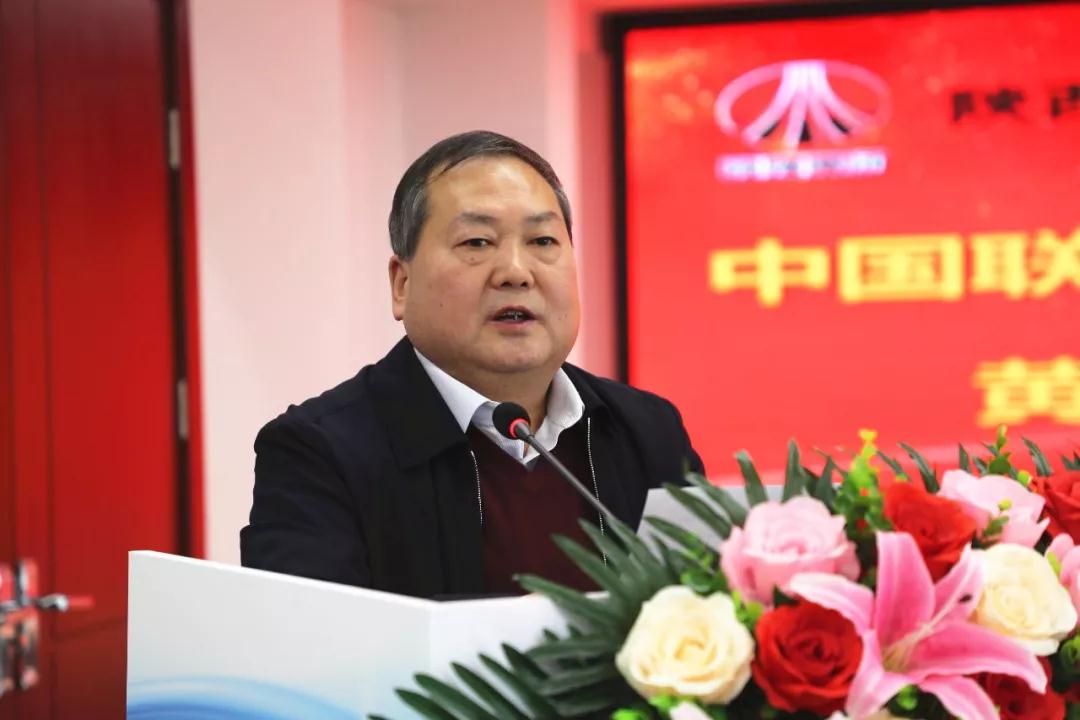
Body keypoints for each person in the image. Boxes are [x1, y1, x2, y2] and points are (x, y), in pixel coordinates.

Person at [240, 130, 703, 597]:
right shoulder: (319, 454)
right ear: (401, 284)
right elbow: (311, 637)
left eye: (543, 240)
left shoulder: (646, 432)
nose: (516, 272)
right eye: (477, 242)